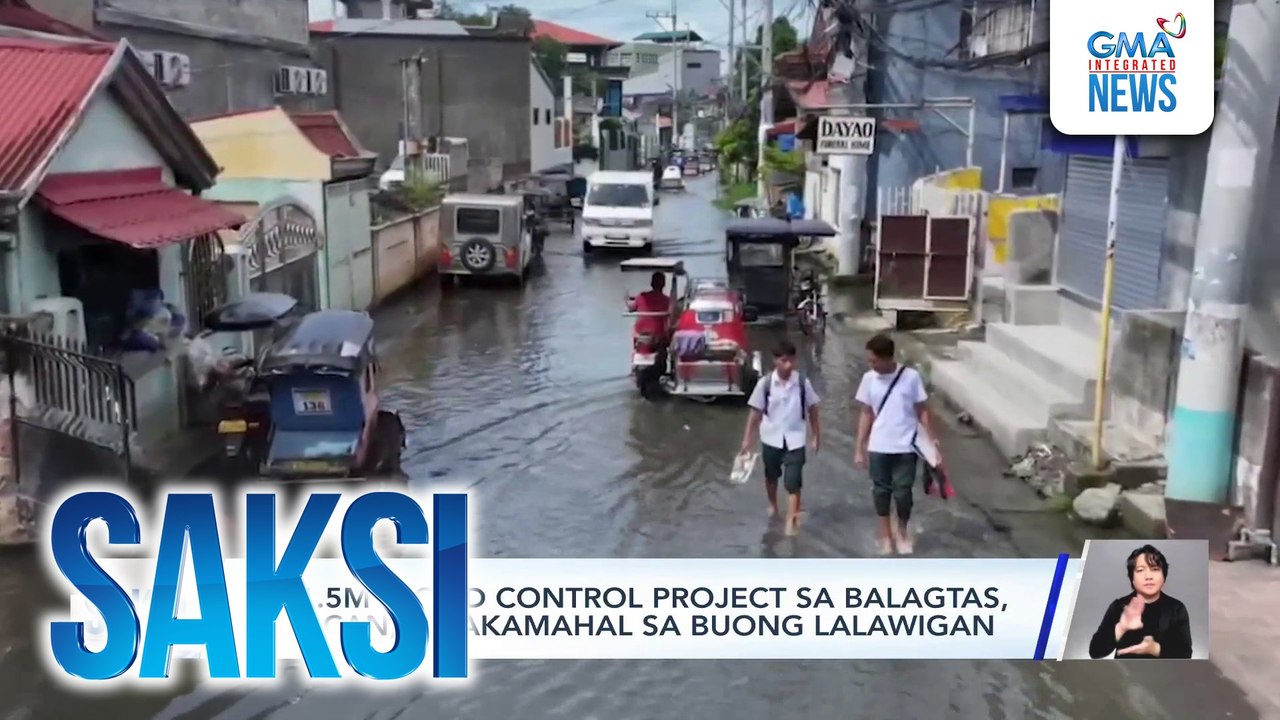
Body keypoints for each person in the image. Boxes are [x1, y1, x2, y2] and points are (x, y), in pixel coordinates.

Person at [854, 333, 939, 555]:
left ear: (887, 358)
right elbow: (865, 414)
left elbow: (922, 411)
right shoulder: (868, 379)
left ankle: (901, 530)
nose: (871, 365)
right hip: (878, 446)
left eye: (874, 360)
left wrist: (932, 442)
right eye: (869, 361)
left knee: (903, 493)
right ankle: (885, 535)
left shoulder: (910, 377)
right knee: (881, 493)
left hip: (906, 446)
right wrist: (859, 448)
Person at [740, 340, 821, 536]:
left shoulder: (802, 383)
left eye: (791, 360)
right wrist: (747, 439)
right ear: (775, 361)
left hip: (795, 439)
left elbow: (813, 409)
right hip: (771, 438)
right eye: (784, 360)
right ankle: (773, 505)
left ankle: (790, 520)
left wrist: (816, 435)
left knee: (794, 481)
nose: (788, 365)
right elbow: (756, 413)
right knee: (771, 476)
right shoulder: (765, 384)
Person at [1088, 544, 1194, 659]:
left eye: (1155, 569)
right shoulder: (1119, 606)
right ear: (1131, 578)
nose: (1148, 576)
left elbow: (1185, 654)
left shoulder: (1176, 608)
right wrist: (1121, 627)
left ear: (1164, 576)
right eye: (1140, 570)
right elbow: (1095, 652)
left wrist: (1154, 649)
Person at [628, 272, 671, 343]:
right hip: (658, 334)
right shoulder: (667, 300)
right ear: (664, 284)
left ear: (651, 284)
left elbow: (631, 308)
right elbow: (673, 314)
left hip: (640, 332)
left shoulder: (641, 297)